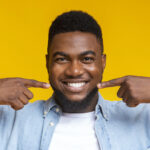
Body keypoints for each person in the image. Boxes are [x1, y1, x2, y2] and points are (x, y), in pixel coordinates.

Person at [0, 11, 150, 150]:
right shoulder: (10, 119)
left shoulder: (141, 120)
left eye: (86, 59)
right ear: (47, 62)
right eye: (62, 59)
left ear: (103, 62)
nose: (74, 71)